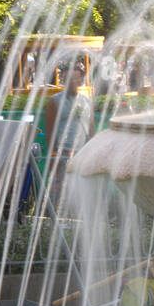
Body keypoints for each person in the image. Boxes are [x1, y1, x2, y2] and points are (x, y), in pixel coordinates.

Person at [43, 61, 94, 208]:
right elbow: (50, 130)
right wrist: (54, 155)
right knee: (62, 189)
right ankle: (58, 216)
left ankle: (80, 215)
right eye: (69, 79)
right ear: (64, 81)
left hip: (82, 152)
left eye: (77, 79)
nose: (73, 82)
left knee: (82, 188)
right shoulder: (55, 101)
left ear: (81, 80)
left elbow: (91, 128)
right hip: (63, 152)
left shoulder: (86, 101)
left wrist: (92, 149)